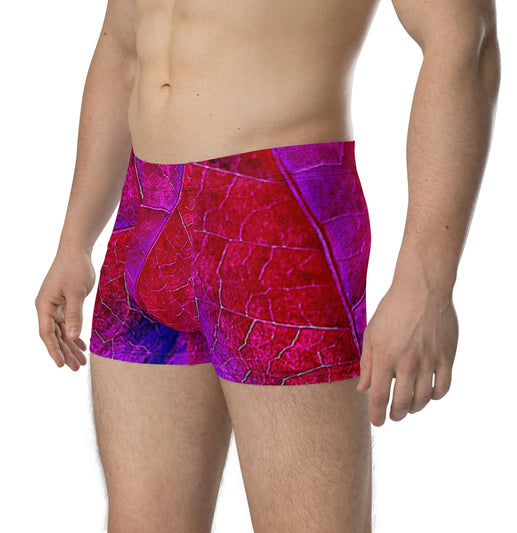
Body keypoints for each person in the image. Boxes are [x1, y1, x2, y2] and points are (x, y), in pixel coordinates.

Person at [34, 0, 500, 531]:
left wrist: (427, 280)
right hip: (147, 211)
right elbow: (123, 51)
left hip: (278, 209)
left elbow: (464, 38)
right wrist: (75, 240)